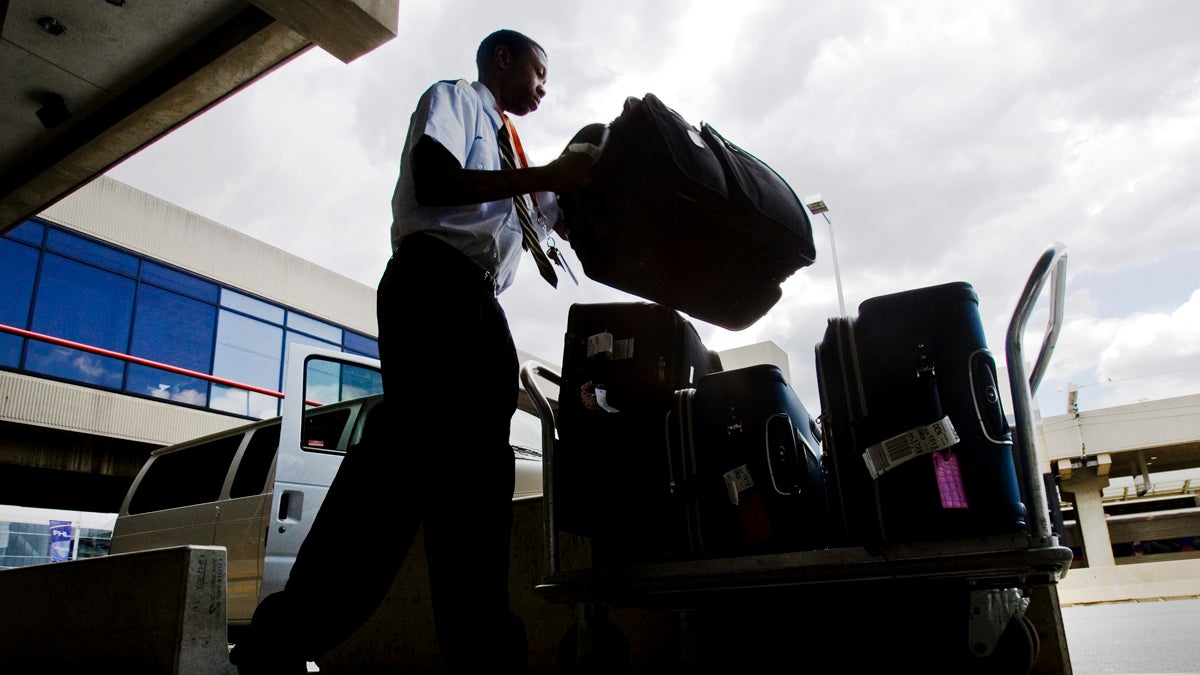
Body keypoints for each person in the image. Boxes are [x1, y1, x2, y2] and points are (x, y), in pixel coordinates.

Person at [229, 29, 594, 674]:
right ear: (501, 59)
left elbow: (561, 209)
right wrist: (549, 174)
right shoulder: (455, 100)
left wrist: (586, 180)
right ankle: (282, 642)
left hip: (478, 305)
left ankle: (480, 653)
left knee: (473, 479)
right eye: (539, 74)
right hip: (432, 285)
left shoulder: (513, 151)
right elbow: (433, 178)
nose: (543, 90)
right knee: (403, 472)